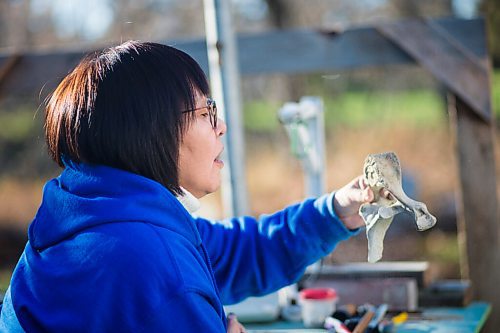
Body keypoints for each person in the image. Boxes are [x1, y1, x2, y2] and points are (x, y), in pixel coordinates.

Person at [0, 41, 373, 332]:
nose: (221, 125)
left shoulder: (98, 217)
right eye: (205, 112)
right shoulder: (150, 268)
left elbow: (236, 253)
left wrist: (336, 210)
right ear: (151, 133)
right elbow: (171, 279)